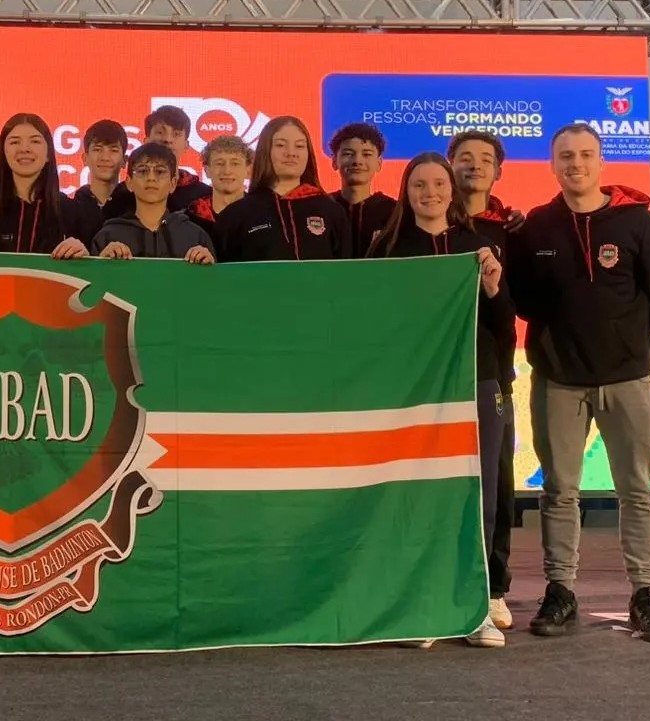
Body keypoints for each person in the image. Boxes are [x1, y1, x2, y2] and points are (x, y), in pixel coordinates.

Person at [507, 123, 650, 644]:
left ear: (601, 162)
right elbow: (522, 299)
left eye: (586, 154)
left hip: (627, 379)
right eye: (566, 156)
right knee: (559, 491)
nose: (576, 164)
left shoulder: (637, 222)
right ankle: (560, 590)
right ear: (553, 164)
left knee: (637, 491)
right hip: (559, 380)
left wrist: (628, 337)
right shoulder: (538, 227)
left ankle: (645, 594)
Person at [370, 152, 512, 649]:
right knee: (416, 496)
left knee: (479, 497)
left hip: (477, 382)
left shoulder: (479, 245)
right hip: (414, 391)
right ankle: (420, 607)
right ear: (405, 192)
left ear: (452, 189)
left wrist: (493, 288)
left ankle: (474, 608)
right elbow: (375, 324)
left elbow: (504, 325)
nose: (429, 193)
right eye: (419, 185)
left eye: (437, 184)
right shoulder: (388, 249)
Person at [448, 130, 520, 632]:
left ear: (498, 170)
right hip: (435, 378)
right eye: (465, 158)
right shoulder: (432, 226)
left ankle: (494, 589)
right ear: (449, 164)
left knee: (497, 486)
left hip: (492, 374)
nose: (475, 165)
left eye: (485, 159)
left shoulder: (512, 231)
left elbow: (518, 303)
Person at [213, 116, 351, 262]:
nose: (291, 153)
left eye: (299, 146)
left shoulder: (332, 212)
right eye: (280, 145)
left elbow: (346, 271)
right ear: (265, 151)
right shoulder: (236, 215)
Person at [0, 113, 88, 259]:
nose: (24, 149)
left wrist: (85, 257)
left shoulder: (69, 211)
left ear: (48, 154)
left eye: (35, 141)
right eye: (14, 142)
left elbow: (92, 267)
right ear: (3, 152)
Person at [91, 142, 215, 263]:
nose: (151, 178)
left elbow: (213, 276)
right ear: (129, 182)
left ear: (173, 184)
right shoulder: (108, 236)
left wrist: (208, 266)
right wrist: (101, 264)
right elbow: (92, 276)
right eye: (142, 171)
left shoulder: (195, 236)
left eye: (160, 171)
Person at [104, 105, 212, 219]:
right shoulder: (124, 193)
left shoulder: (203, 196)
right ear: (146, 140)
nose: (168, 140)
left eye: (176, 134)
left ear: (187, 145)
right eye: (160, 132)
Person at [328, 122, 396, 258]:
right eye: (348, 154)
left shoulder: (393, 213)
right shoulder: (323, 208)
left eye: (366, 154)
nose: (357, 161)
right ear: (334, 162)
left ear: (379, 163)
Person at [73, 119, 129, 243]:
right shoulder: (71, 208)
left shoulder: (134, 208)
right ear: (85, 158)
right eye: (97, 149)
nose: (105, 158)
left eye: (113, 150)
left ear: (124, 160)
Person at [187, 135, 252, 238]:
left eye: (235, 164)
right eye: (219, 163)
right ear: (207, 171)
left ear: (248, 170)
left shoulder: (260, 214)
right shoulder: (191, 215)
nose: (227, 171)